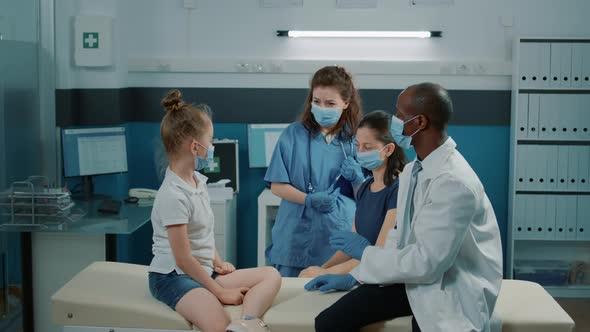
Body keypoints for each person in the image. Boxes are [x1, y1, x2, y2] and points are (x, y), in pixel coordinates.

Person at [305, 83, 503, 332]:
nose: (394, 121)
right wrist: (356, 276)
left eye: (399, 115)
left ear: (419, 122)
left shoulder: (454, 182)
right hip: (416, 279)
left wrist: (366, 253)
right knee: (329, 322)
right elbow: (399, 236)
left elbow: (427, 264)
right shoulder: (413, 171)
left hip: (448, 287)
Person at [148, 90, 281, 332]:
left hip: (203, 271)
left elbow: (202, 235)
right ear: (194, 146)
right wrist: (219, 291)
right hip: (173, 277)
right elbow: (183, 258)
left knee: (271, 274)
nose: (212, 147)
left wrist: (218, 262)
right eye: (210, 140)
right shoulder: (172, 195)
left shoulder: (197, 182)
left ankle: (247, 322)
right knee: (218, 324)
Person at [264, 66, 364, 277]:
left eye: (330, 104)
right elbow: (277, 185)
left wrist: (357, 178)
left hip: (338, 234)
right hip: (295, 235)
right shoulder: (293, 135)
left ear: (346, 103)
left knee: (330, 301)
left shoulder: (358, 140)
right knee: (291, 301)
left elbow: (369, 197)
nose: (322, 108)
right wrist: (309, 199)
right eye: (317, 102)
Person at [299, 110, 407, 278]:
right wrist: (320, 269)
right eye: (357, 145)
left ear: (388, 149)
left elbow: (379, 255)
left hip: (381, 279)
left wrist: (326, 273)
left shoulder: (399, 189)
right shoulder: (365, 188)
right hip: (359, 274)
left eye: (367, 147)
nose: (360, 152)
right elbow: (350, 248)